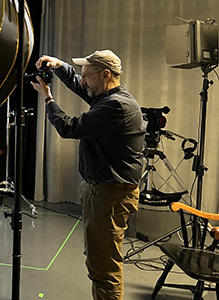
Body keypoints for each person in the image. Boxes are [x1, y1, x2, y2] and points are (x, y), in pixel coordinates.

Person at [31, 50, 145, 300]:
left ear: (106, 75)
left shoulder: (116, 106)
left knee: (104, 267)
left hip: (109, 195)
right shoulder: (109, 96)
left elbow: (70, 127)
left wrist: (48, 99)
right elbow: (78, 84)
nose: (82, 81)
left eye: (87, 76)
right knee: (99, 260)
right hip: (104, 192)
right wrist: (59, 65)